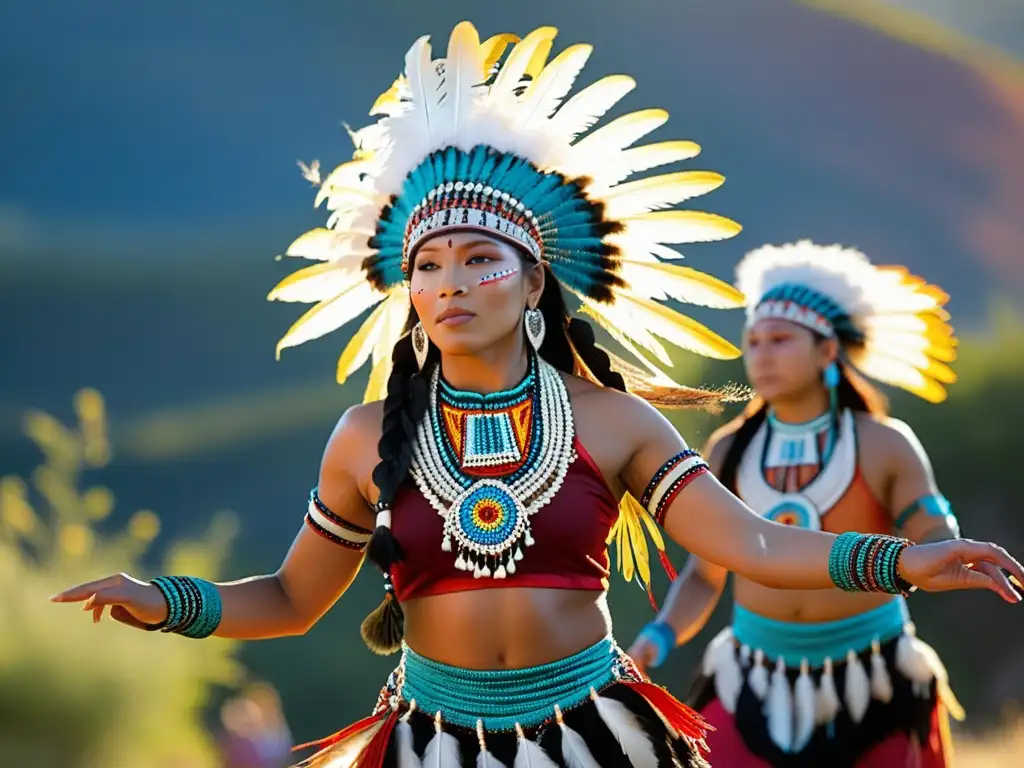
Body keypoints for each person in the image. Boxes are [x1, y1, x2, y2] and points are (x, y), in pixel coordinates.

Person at [51, 25, 1024, 768]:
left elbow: (754, 543)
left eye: (481, 258)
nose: (449, 283)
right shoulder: (362, 439)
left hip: (596, 733)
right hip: (429, 739)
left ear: (533, 281)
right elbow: (292, 597)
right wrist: (165, 601)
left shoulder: (612, 422)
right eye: (427, 265)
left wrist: (903, 561)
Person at [627, 239, 1020, 767]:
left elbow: (930, 530)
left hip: (875, 677)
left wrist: (944, 551)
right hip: (752, 675)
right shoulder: (728, 450)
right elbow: (706, 573)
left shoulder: (883, 443)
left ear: (828, 351)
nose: (761, 355)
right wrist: (659, 635)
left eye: (781, 340)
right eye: (754, 341)